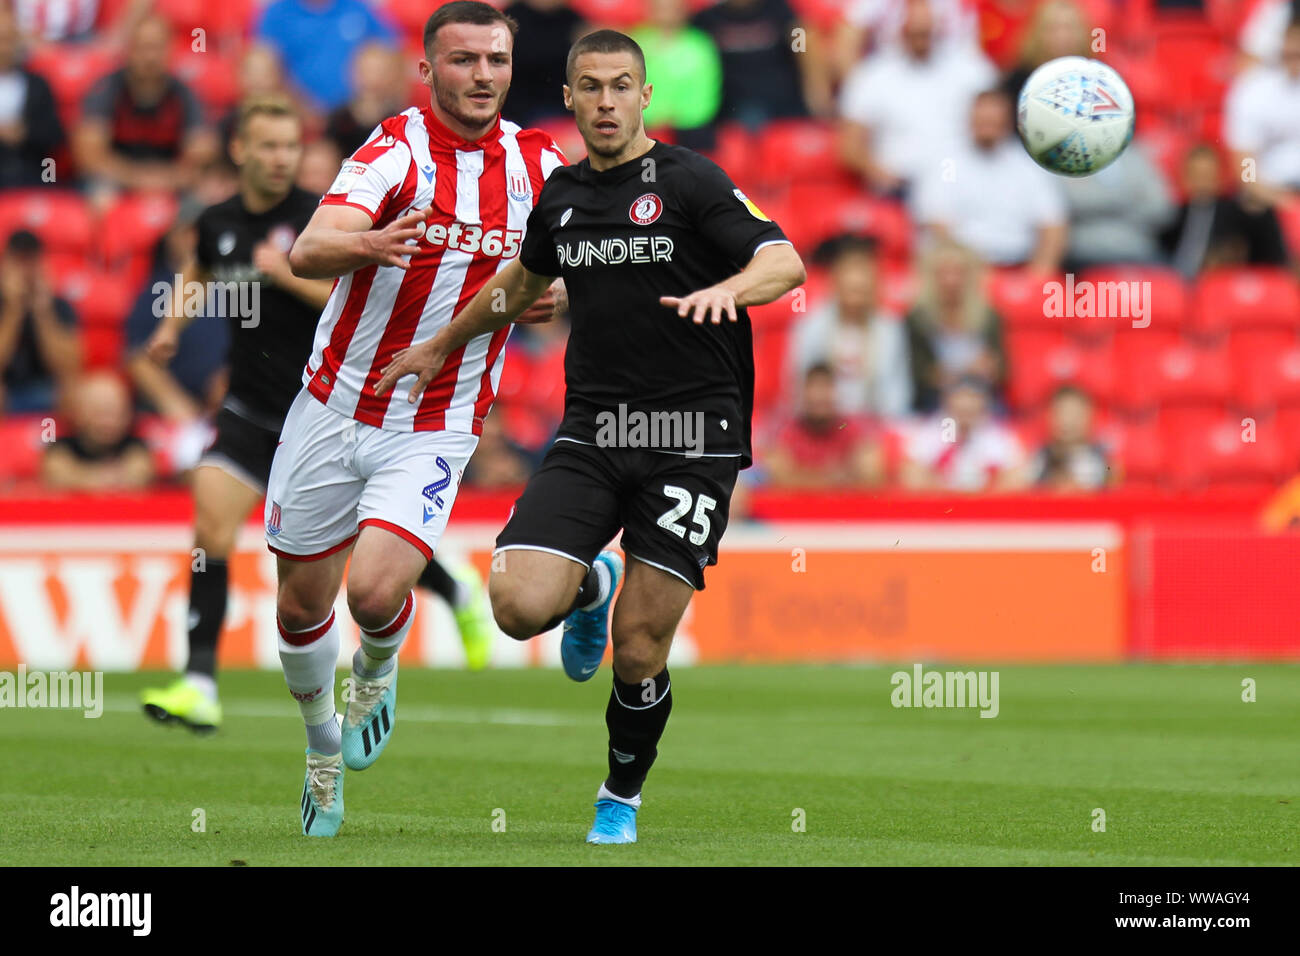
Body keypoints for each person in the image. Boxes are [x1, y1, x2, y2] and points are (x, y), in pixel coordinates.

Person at [374, 29, 806, 845]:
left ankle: (621, 794)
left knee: (638, 650)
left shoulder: (692, 180)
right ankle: (590, 586)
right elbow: (521, 284)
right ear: (569, 98)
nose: (606, 102)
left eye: (621, 86)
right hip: (595, 430)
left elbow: (783, 262)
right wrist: (438, 345)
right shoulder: (562, 195)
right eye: (590, 88)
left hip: (694, 437)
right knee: (514, 607)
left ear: (646, 96)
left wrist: (731, 290)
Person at [268, 1, 565, 837]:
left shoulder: (537, 163)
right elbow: (307, 249)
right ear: (428, 71)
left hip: (435, 419)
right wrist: (370, 244)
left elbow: (569, 277)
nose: (483, 77)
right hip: (332, 404)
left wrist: (547, 299)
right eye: (465, 61)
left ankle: (379, 663)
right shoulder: (395, 149)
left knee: (373, 591)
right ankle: (322, 748)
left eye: (497, 61)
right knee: (299, 607)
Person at [838, 0, 995, 197]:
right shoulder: (872, 76)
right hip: (900, 187)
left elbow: (997, 123)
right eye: (916, 33)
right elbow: (850, 147)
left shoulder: (970, 71)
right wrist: (879, 173)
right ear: (901, 31)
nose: (922, 39)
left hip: (958, 182)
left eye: (926, 32)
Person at [912, 88, 1067, 272]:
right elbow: (936, 221)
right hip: (963, 269)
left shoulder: (1028, 166)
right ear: (969, 120)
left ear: (1008, 122)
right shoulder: (947, 163)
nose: (987, 126)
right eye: (982, 120)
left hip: (1017, 265)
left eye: (993, 121)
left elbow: (1053, 224)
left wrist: (1039, 273)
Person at [75, 15, 216, 197]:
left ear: (170, 50)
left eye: (157, 48)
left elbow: (201, 155)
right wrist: (139, 179)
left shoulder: (186, 93)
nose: (150, 57)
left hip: (171, 182)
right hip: (118, 180)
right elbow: (89, 155)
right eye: (143, 48)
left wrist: (164, 180)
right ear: (129, 51)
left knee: (208, 193)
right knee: (100, 195)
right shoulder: (106, 88)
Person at [787, 235, 911, 419]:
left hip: (874, 423)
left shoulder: (890, 328)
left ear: (873, 289)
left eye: (861, 291)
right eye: (850, 290)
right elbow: (797, 385)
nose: (855, 299)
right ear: (836, 286)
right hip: (822, 423)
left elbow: (898, 391)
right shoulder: (811, 326)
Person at [1160, 143, 1292, 278]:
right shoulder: (1174, 215)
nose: (1201, 183)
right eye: (1196, 175)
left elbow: (1270, 256)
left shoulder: (1239, 214)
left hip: (1220, 285)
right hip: (1175, 283)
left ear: (1219, 177)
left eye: (1207, 175)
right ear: (1184, 177)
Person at [904, 238, 1005, 413]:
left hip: (981, 402)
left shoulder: (988, 317)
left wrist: (991, 369)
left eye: (958, 272)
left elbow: (1002, 369)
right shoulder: (917, 319)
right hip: (934, 403)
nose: (951, 281)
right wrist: (966, 370)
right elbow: (917, 373)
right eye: (943, 273)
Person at [257, 0, 397, 112]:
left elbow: (391, 53)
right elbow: (265, 66)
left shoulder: (357, 9)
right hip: (294, 115)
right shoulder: (277, 14)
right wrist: (303, 107)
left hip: (350, 118)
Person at [765, 363, 885, 487]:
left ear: (836, 392)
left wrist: (802, 476)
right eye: (814, 388)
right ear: (803, 393)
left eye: (825, 387)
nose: (819, 396)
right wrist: (834, 477)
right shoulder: (788, 431)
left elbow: (871, 474)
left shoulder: (848, 428)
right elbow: (777, 475)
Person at [901, 375, 1025, 492]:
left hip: (984, 504)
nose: (966, 403)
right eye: (961, 397)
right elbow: (912, 475)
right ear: (947, 401)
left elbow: (1015, 477)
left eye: (972, 397)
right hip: (942, 504)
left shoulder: (998, 434)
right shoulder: (933, 430)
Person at [0, 230, 79, 413]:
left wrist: (43, 312)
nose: (26, 270)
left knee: (73, 391)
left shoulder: (59, 306)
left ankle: (58, 441)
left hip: (47, 390)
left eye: (31, 261)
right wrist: (14, 309)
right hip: (6, 391)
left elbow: (69, 367)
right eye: (19, 261)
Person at [41, 371, 154, 490]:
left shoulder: (136, 447)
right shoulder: (61, 447)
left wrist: (80, 478)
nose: (108, 421)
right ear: (78, 413)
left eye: (116, 413)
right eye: (100, 413)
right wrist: (101, 481)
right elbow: (57, 475)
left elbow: (139, 476)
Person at [0, 5, 65, 188]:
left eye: (9, 40)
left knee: (52, 180)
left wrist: (24, 132)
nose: (4, 48)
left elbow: (55, 136)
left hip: (32, 173)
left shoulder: (38, 85)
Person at [1027, 384, 1115, 491]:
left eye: (1076, 414)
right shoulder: (1039, 458)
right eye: (1062, 413)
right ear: (1049, 416)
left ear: (1090, 416)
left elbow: (1111, 481)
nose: (1068, 421)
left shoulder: (1104, 460)